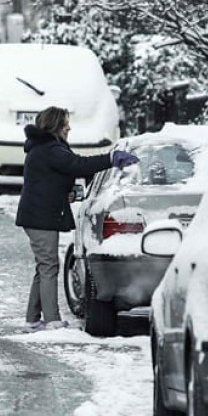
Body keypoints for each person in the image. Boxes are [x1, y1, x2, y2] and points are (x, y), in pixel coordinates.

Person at [16, 107, 137, 331]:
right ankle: (52, 321)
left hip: (37, 215)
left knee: (44, 266)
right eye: (65, 124)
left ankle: (33, 319)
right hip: (39, 217)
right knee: (48, 266)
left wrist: (66, 192)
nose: (69, 127)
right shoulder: (50, 149)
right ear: (54, 126)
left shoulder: (45, 148)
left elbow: (53, 177)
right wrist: (111, 158)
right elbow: (78, 164)